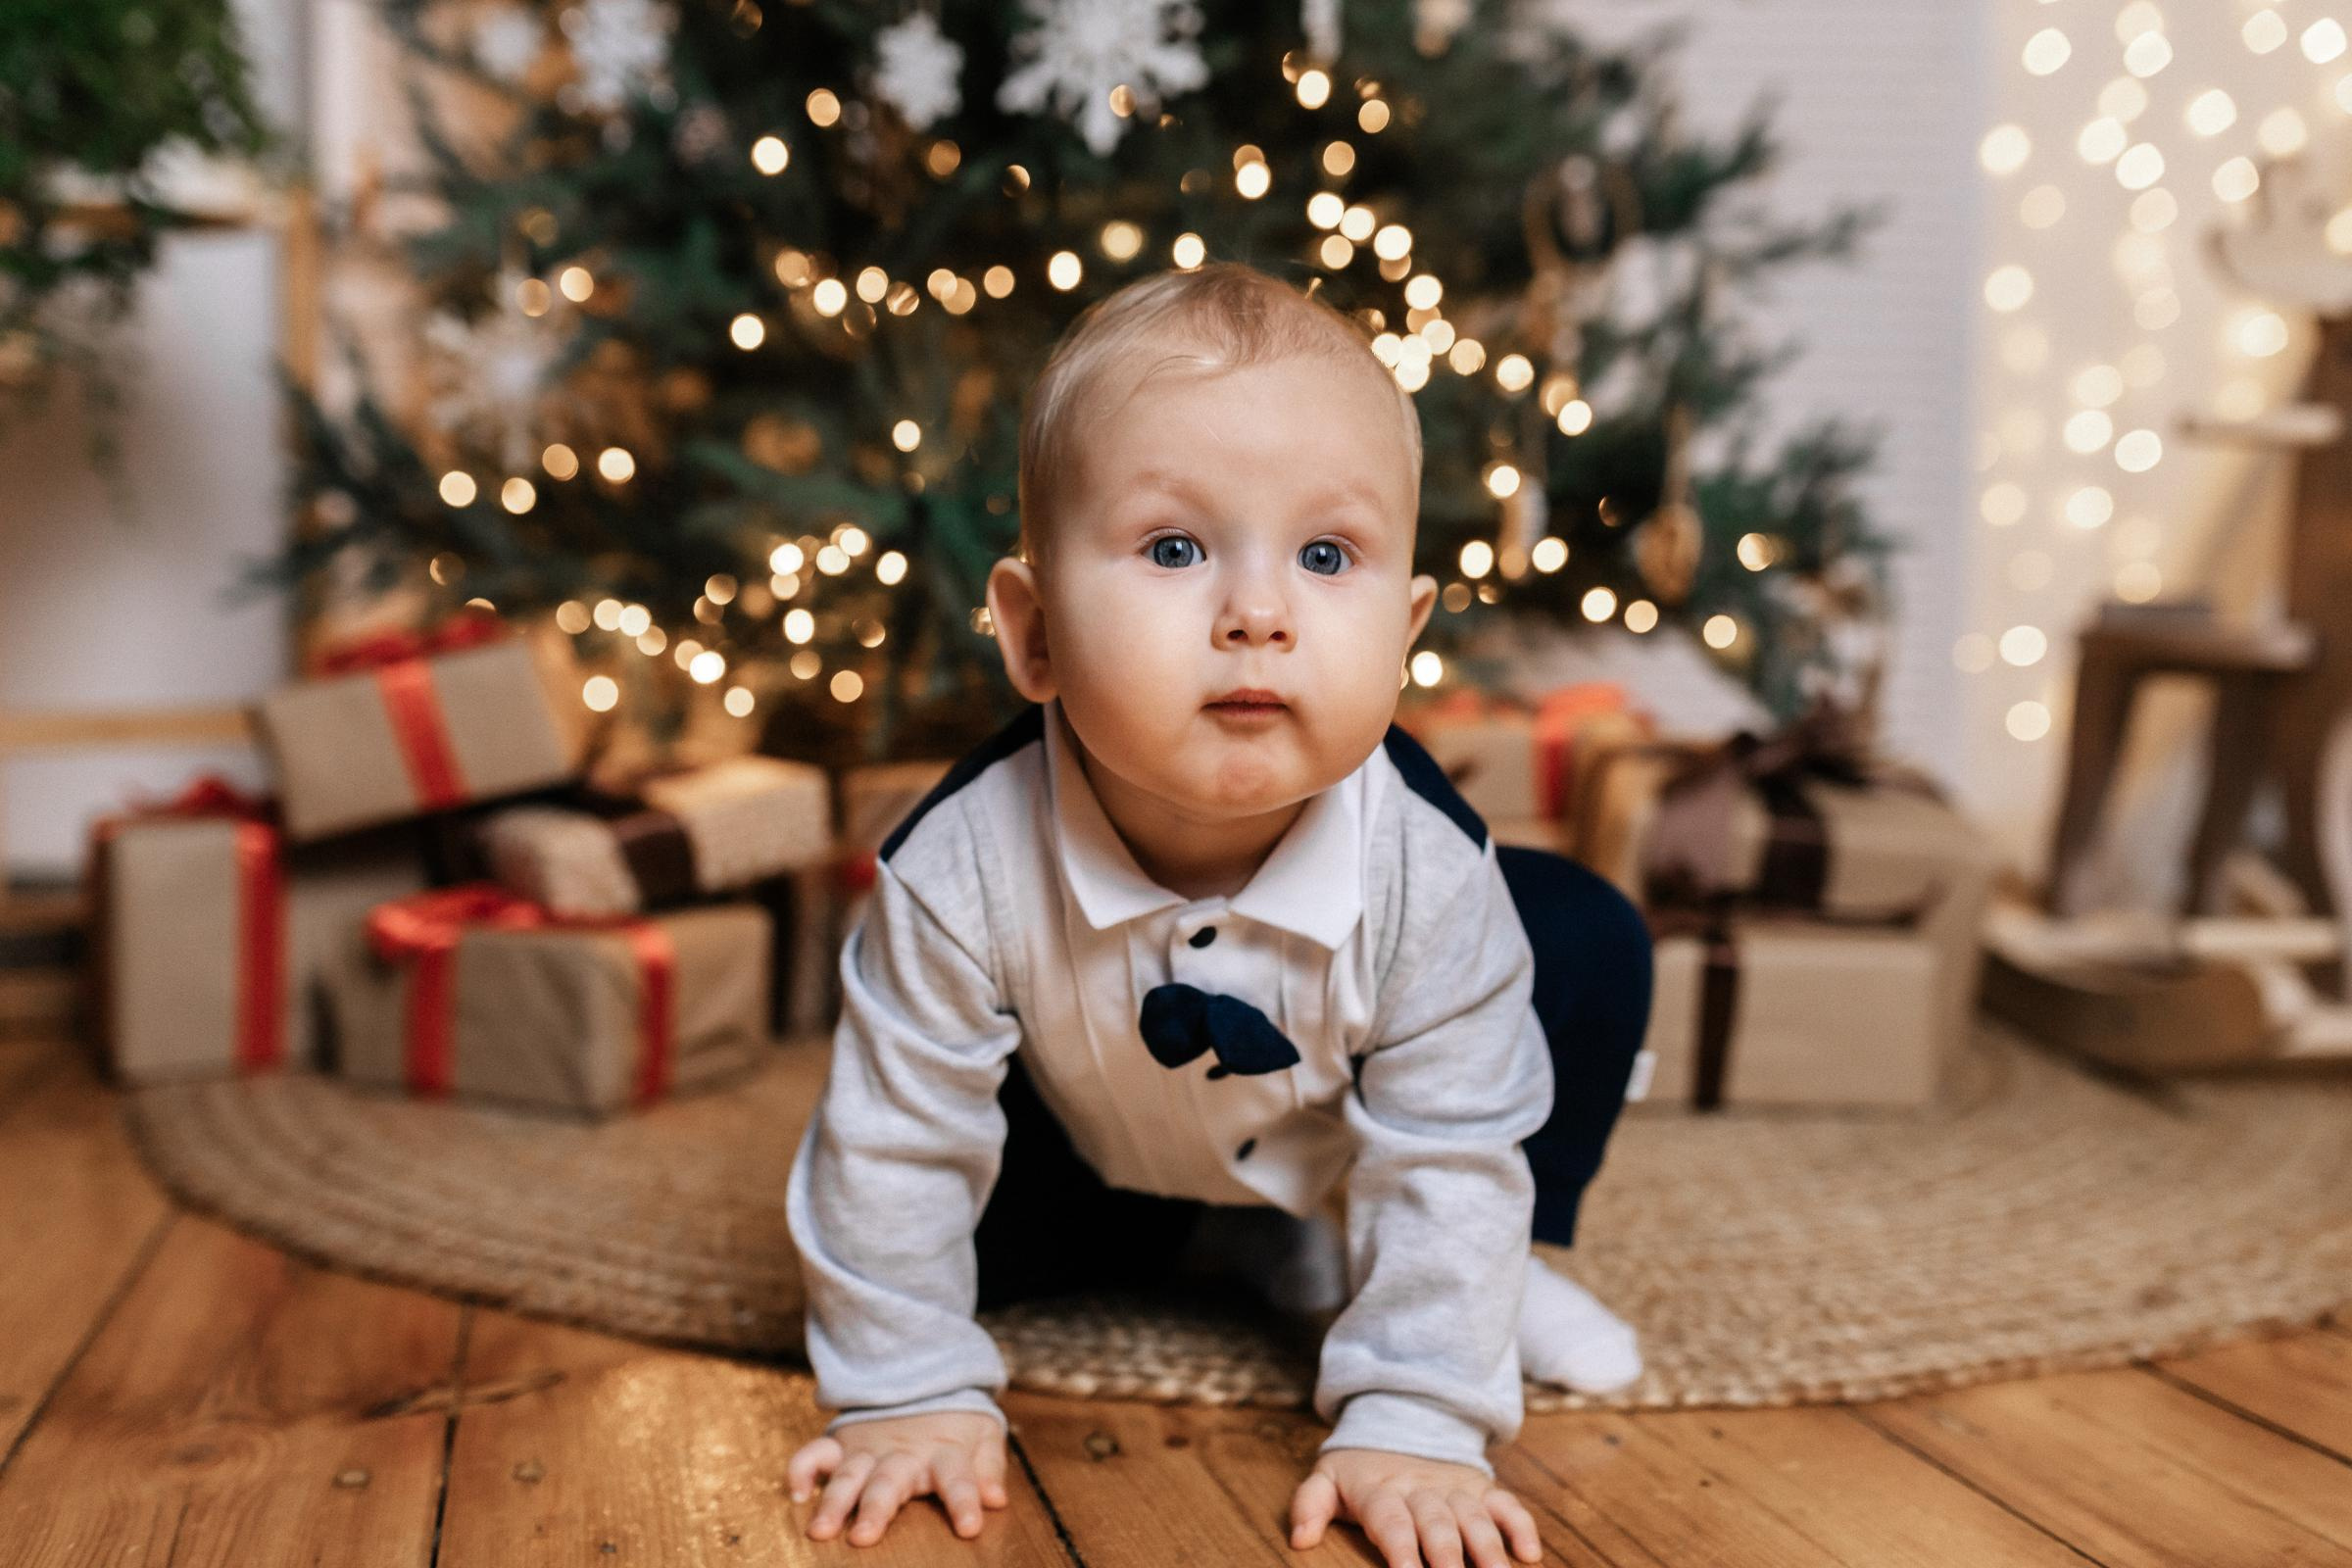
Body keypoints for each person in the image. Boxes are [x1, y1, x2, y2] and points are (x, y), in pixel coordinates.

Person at [783, 261, 1653, 1568]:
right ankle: (1230, 1235)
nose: (1259, 614)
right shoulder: (954, 871)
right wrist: (905, 1389)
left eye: (1326, 555)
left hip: (1345, 1124)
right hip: (1080, 1136)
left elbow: (1452, 1137)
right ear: (1032, 637)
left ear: (1408, 631)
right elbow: (895, 1143)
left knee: (1580, 939)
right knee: (953, 1239)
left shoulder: (1430, 877)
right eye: (1175, 548)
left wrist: (1416, 1415)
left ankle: (1442, 1264)